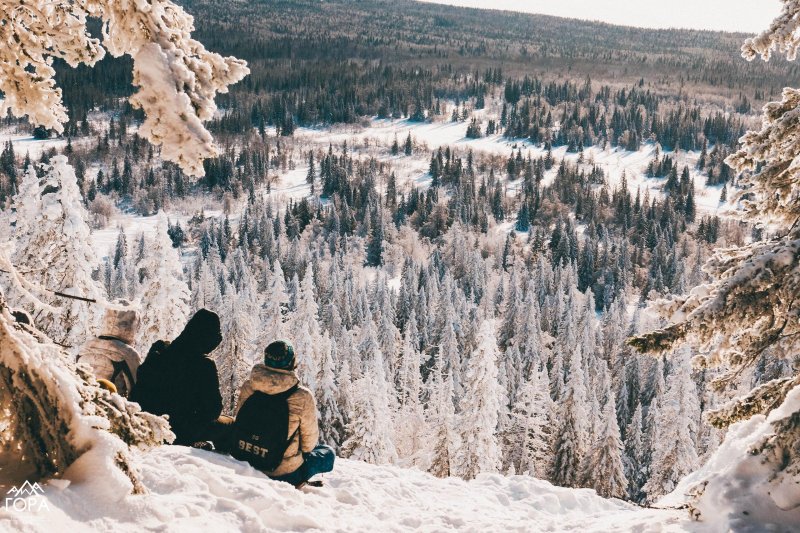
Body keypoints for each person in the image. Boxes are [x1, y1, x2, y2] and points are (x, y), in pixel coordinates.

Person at [233, 340, 334, 487]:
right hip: (281, 472)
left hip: (244, 458)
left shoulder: (249, 385)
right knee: (327, 453)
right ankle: (298, 480)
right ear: (292, 363)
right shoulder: (302, 396)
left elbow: (240, 418)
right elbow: (308, 445)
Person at [129, 309, 231, 447]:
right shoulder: (204, 365)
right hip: (180, 432)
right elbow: (213, 410)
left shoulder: (160, 351)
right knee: (230, 424)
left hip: (146, 422)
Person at [76, 301, 141, 397]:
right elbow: (138, 389)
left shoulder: (85, 346)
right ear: (132, 324)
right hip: (113, 406)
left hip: (82, 402)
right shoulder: (128, 354)